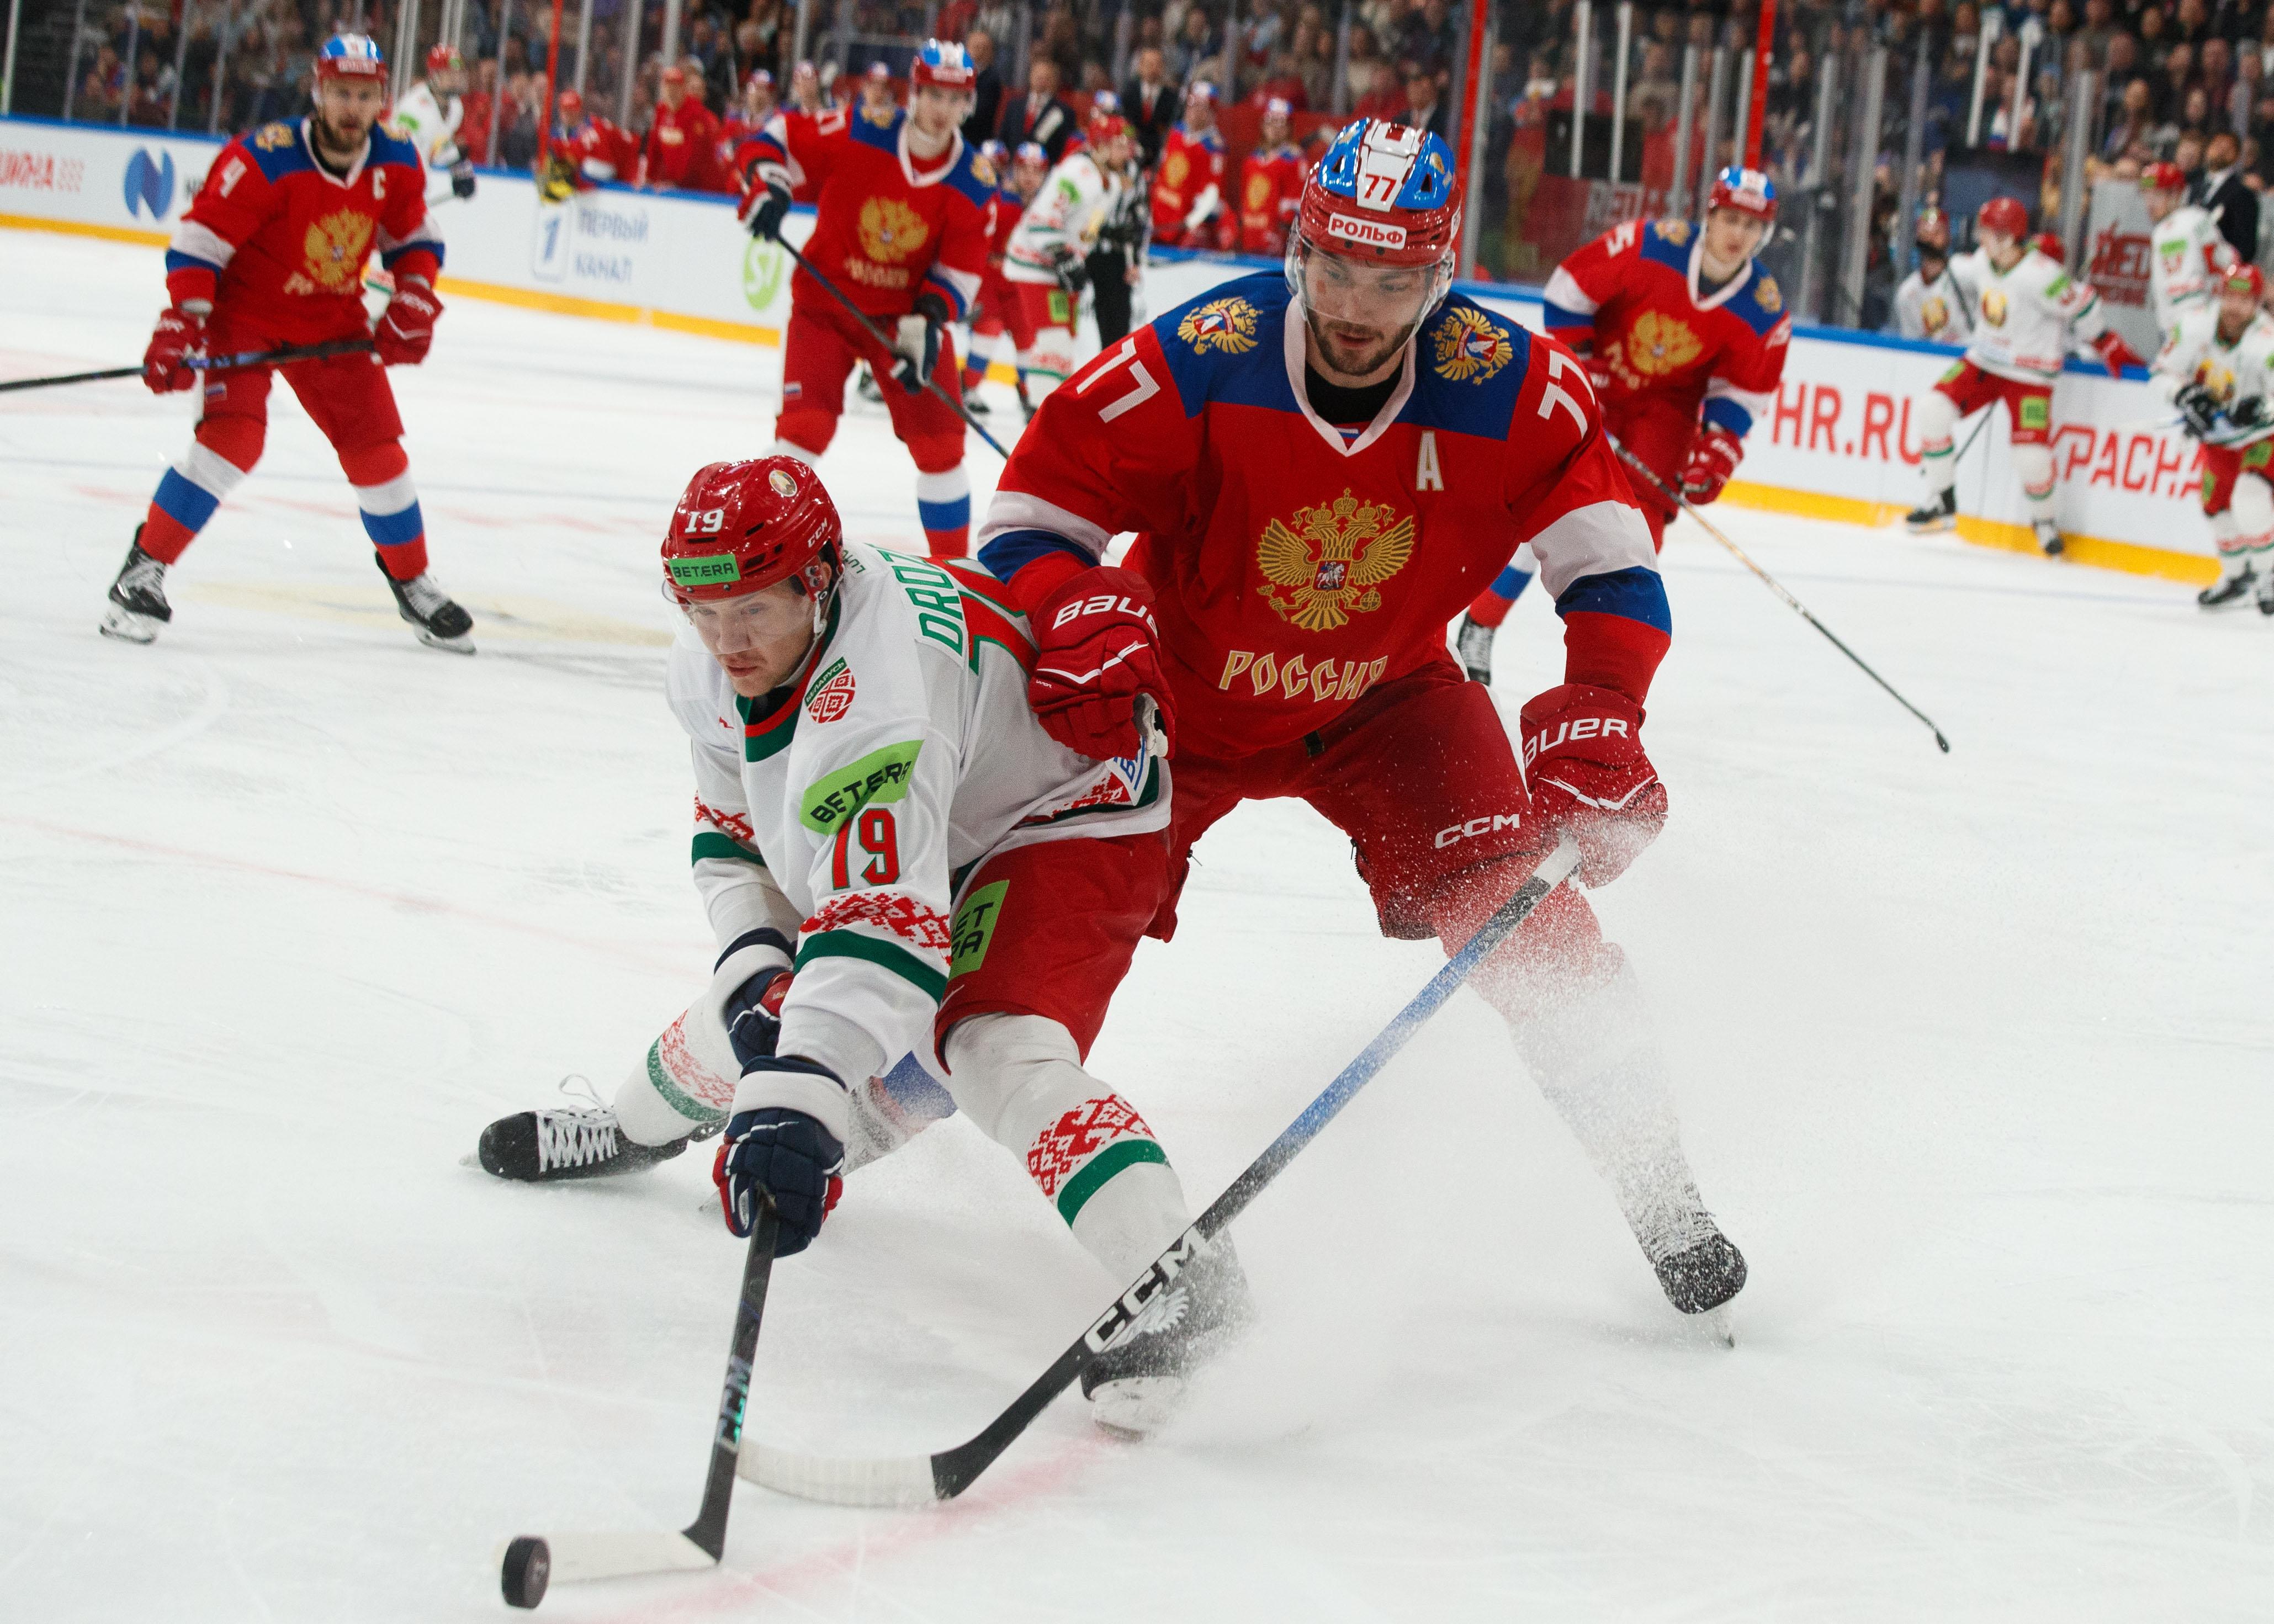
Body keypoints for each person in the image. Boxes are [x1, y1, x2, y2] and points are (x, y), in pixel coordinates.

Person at [974, 119, 1749, 1329]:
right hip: (1176, 702)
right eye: (1334, 268)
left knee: (1528, 918)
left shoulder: (1517, 387)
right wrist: (1073, 609)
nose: (1353, 305)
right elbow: (1030, 514)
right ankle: (842, 1113)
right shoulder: (1196, 358)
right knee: (1022, 960)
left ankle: (1661, 1189)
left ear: (1438, 274)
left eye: (1390, 281)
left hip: (1385, 698)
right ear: (1299, 247)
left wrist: (1602, 703)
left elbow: (1608, 564)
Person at [476, 455, 1248, 1435]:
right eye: (700, 610)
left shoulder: (880, 696)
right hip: (961, 793)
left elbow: (884, 924)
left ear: (818, 579)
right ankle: (633, 1127)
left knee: (990, 1049)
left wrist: (799, 1089)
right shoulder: (720, 659)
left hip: (1069, 808)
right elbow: (733, 835)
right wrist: (759, 972)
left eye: (751, 609)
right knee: (777, 1018)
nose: (725, 640)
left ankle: (1189, 1282)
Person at [105, 33, 471, 652]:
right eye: (341, 93)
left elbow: (413, 235)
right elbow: (201, 240)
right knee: (233, 440)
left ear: (382, 98)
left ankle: (413, 582)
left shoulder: (396, 158)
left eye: (364, 95)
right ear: (318, 92)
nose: (352, 107)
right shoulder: (264, 158)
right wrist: (183, 321)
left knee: (377, 449)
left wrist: (414, 294)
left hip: (332, 320)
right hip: (244, 316)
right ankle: (141, 573)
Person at [1455, 168, 1789, 682]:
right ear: (1709, 215)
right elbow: (1566, 293)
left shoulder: (1764, 311)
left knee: (1635, 544)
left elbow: (1743, 392)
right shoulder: (1651, 246)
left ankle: (1604, 672)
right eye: (1729, 219)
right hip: (1600, 379)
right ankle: (1481, 621)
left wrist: (1718, 449)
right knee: (1546, 505)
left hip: (1666, 417)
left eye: (1750, 225)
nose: (1736, 234)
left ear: (1763, 234)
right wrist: (1585, 371)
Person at [735, 39, 994, 558]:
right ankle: (755, 550)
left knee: (941, 447)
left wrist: (929, 319)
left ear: (967, 104)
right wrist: (769, 185)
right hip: (825, 306)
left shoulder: (974, 181)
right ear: (914, 93)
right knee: (804, 429)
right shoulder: (862, 128)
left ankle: (957, 572)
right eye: (934, 95)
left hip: (902, 321)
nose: (942, 110)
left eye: (954, 99)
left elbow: (960, 272)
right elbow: (776, 140)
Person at [1905, 197, 2140, 553]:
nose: (1981, 238)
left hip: (2030, 373)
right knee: (1931, 409)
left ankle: (2044, 520)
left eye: (1988, 232)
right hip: (1984, 362)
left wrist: (2105, 341)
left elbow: (2082, 303)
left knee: (2031, 458)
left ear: (2007, 238)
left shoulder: (2042, 276)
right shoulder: (1983, 261)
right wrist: (1936, 252)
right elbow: (1956, 267)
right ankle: (1941, 498)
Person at [2153, 263, 2274, 609]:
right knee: (2215, 507)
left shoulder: (2267, 343)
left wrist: (2263, 408)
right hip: (2220, 439)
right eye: (2230, 296)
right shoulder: (2193, 327)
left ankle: (2268, 575)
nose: (2236, 306)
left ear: (2257, 304)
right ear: (2220, 294)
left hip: (2263, 437)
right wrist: (2184, 395)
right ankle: (2237, 576)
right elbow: (2161, 373)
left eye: (2245, 301)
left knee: (2250, 498)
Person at [1002, 113, 1137, 400]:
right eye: (1118, 144)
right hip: (1034, 263)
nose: (1126, 152)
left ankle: (1050, 409)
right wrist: (1063, 256)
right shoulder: (1077, 173)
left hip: (1060, 268)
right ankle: (1039, 410)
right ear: (1100, 145)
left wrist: (1110, 234)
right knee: (1054, 341)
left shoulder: (1111, 182)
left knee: (1064, 344)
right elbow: (1042, 220)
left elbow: (1085, 228)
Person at [962, 139, 1045, 413]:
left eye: (1036, 171)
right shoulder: (999, 200)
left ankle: (1029, 395)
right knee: (988, 332)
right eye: (1024, 169)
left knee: (1027, 339)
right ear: (1014, 170)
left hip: (1022, 282)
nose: (1030, 177)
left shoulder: (1047, 204)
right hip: (991, 278)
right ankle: (968, 389)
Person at [2141, 159, 2232, 346]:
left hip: (2190, 328)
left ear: (2178, 194)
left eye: (2158, 195)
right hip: (2207, 321)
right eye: (2146, 195)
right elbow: (2230, 259)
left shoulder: (2172, 229)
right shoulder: (2198, 218)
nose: (2150, 203)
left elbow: (2184, 293)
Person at [390, 41, 478, 201]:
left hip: (419, 189)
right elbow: (399, 153)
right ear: (434, 76)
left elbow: (436, 147)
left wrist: (459, 167)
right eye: (450, 74)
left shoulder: (456, 107)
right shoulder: (413, 108)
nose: (456, 79)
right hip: (398, 188)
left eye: (459, 74)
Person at [1150, 80, 1229, 248]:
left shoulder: (1214, 147)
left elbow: (1212, 195)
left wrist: (1192, 223)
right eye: (1192, 104)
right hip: (1158, 216)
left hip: (1183, 226)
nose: (1193, 110)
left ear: (1211, 112)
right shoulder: (1175, 132)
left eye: (1201, 106)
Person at [1236, 96, 1306, 257]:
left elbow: (1296, 205)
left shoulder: (1295, 161)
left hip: (1276, 244)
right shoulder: (1252, 160)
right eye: (1271, 121)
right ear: (1263, 125)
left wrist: (1282, 234)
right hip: (1250, 237)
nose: (1275, 128)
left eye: (1281, 123)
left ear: (1289, 128)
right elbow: (1246, 201)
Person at [1893, 206, 1973, 344]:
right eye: (1925, 233)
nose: (1931, 239)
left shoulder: (1964, 271)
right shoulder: (1907, 293)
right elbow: (1912, 344)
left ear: (1948, 236)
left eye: (1937, 232)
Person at [640, 63, 724, 189]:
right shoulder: (661, 111)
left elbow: (694, 154)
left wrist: (676, 183)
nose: (671, 92)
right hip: (673, 185)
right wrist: (649, 178)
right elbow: (654, 147)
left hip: (701, 187)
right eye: (668, 87)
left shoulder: (695, 112)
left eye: (675, 88)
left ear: (683, 89)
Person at [541, 88, 635, 196]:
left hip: (614, 171)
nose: (568, 114)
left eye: (572, 110)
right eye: (565, 110)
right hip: (600, 171)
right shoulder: (556, 133)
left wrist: (575, 178)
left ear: (579, 110)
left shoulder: (594, 127)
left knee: (587, 167)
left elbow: (607, 166)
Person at [2196, 131, 2260, 265]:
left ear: (2236, 156)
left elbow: (2245, 247)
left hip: (2220, 269)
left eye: (2227, 148)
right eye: (2217, 145)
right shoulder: (2193, 186)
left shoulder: (2243, 195)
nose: (2221, 151)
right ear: (2208, 148)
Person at [996, 56, 1074, 161]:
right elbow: (1003, 139)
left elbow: (1062, 148)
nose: (1041, 81)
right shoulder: (1014, 106)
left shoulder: (1064, 112)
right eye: (1038, 76)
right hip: (1012, 165)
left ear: (1054, 81)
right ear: (1030, 76)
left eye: (1046, 78)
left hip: (1045, 167)